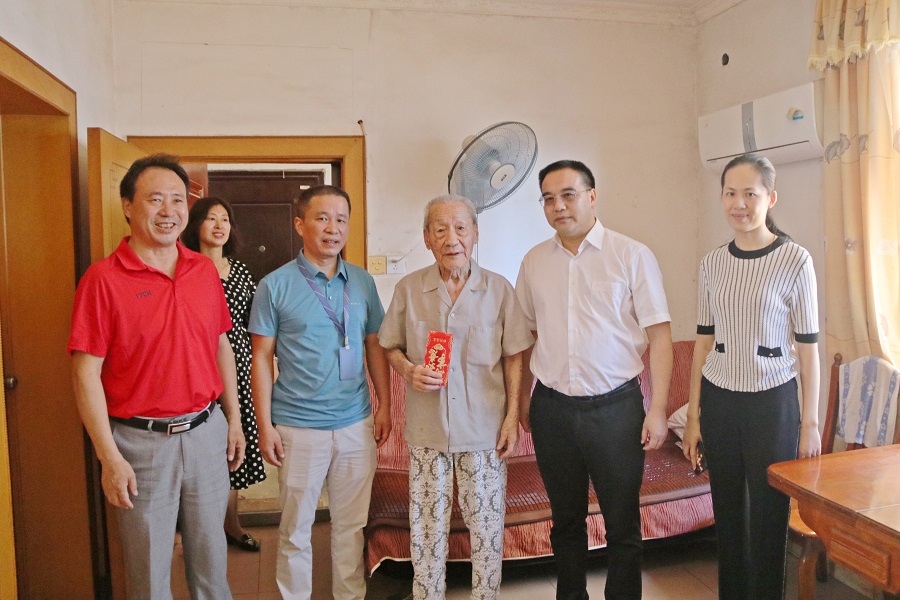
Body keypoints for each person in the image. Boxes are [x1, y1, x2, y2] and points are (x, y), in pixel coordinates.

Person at [68, 154, 246, 599]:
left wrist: (234, 419)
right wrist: (110, 458)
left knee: (212, 568)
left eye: (178, 199)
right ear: (128, 206)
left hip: (206, 433)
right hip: (140, 445)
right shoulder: (102, 280)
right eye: (155, 199)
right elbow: (85, 374)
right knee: (148, 578)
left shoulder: (203, 270)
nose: (169, 211)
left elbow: (221, 345)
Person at [515, 159, 673, 600]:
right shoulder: (534, 261)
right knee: (565, 521)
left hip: (616, 410)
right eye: (548, 198)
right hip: (552, 409)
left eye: (568, 195)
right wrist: (523, 400)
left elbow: (660, 336)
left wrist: (658, 409)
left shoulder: (631, 255)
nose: (558, 206)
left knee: (622, 523)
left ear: (592, 196)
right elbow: (524, 336)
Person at [379, 195, 534, 600]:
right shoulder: (409, 289)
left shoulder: (499, 290)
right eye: (441, 230)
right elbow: (389, 345)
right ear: (427, 238)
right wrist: (409, 370)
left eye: (461, 228)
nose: (452, 239)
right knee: (426, 530)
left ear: (475, 234)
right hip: (427, 431)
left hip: (485, 431)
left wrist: (511, 418)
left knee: (486, 528)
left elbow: (514, 356)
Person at [682, 154, 820, 600]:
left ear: (770, 198)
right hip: (720, 401)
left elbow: (808, 350)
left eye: (750, 194)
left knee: (768, 514)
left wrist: (810, 423)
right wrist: (693, 418)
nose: (738, 203)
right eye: (730, 193)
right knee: (727, 512)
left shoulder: (795, 260)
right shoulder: (712, 263)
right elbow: (703, 344)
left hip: (772, 403)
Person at [248, 184, 392, 600]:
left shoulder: (361, 282)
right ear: (300, 224)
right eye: (322, 218)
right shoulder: (274, 285)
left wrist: (384, 405)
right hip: (298, 426)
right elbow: (261, 358)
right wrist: (264, 425)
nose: (333, 228)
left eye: (341, 219)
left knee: (351, 527)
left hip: (355, 423)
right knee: (295, 529)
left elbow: (374, 344)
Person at [182, 196, 267, 552]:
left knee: (236, 445)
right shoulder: (183, 267)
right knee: (204, 449)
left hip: (241, 365)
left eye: (225, 219)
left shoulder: (240, 270)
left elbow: (255, 322)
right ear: (195, 225)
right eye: (211, 219)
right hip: (198, 366)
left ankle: (231, 523)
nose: (219, 226)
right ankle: (200, 529)